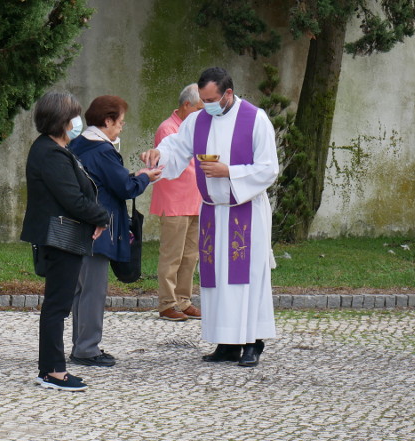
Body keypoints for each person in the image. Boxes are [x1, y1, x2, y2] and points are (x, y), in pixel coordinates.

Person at [140, 67, 279, 367]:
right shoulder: (198, 120)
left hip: (245, 211)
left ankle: (253, 343)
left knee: (247, 279)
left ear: (228, 93)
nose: (206, 106)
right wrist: (157, 155)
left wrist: (230, 172)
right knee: (216, 281)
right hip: (213, 212)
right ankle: (226, 343)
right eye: (202, 100)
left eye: (211, 99)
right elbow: (175, 149)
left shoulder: (255, 119)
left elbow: (269, 168)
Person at [20, 92, 109, 391]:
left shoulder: (54, 149)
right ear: (61, 120)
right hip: (60, 238)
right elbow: (72, 198)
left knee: (57, 305)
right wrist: (102, 217)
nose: (77, 122)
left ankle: (52, 369)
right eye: (74, 116)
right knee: (57, 306)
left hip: (64, 236)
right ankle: (53, 372)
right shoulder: (50, 153)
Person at [69, 95, 162, 367]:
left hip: (80, 225)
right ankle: (87, 349)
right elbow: (124, 188)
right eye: (120, 122)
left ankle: (81, 344)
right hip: (99, 228)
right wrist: (144, 177)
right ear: (107, 121)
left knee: (80, 290)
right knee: (93, 291)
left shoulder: (78, 144)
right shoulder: (103, 150)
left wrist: (132, 176)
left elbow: (107, 181)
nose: (122, 127)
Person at [151, 84, 204, 322]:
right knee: (172, 255)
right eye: (199, 107)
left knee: (190, 255)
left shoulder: (196, 128)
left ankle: (184, 299)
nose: (203, 113)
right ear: (186, 105)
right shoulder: (168, 128)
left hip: (194, 200)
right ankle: (167, 303)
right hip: (174, 202)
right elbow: (169, 163)